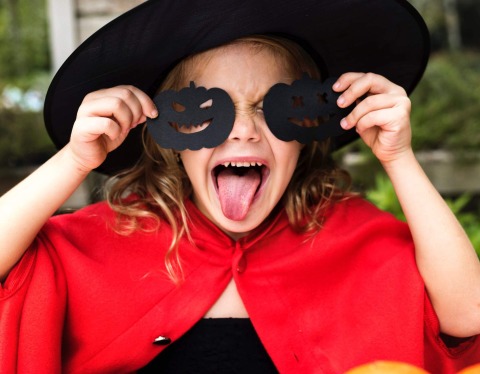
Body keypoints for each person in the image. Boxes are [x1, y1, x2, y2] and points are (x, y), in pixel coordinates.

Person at [1, 0, 479, 373]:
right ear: (169, 135)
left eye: (274, 107)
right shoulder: (97, 247)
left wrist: (398, 158)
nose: (244, 132)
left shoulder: (359, 242)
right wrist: (75, 159)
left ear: (308, 125)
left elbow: (469, 318)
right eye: (207, 109)